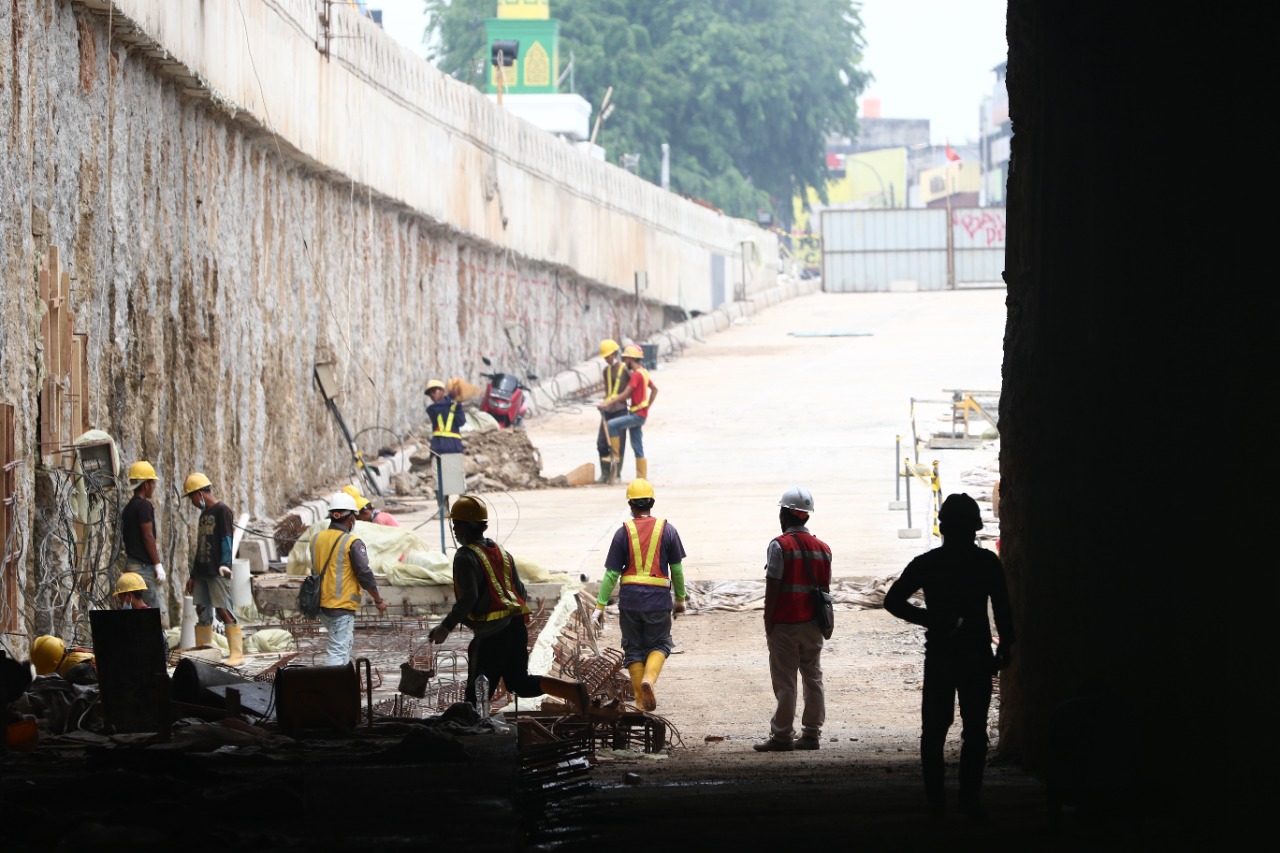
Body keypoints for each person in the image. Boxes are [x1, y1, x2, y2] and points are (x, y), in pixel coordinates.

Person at [884, 492, 1016, 820]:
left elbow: (893, 601)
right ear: (975, 528)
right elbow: (1002, 608)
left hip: (941, 656)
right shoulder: (986, 563)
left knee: (934, 732)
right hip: (976, 656)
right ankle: (969, 802)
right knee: (975, 731)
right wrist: (1006, 646)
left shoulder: (928, 563)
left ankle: (937, 806)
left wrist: (932, 619)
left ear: (943, 528)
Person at [427, 494, 592, 715]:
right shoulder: (501, 552)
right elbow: (520, 591)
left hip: (492, 635)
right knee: (519, 683)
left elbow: (469, 598)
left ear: (467, 526)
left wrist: (445, 627)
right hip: (516, 628)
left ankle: (475, 739)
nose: (455, 530)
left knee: (476, 694)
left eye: (456, 524)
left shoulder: (465, 556)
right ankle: (572, 690)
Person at [594, 478, 686, 711]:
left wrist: (600, 607)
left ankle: (640, 703)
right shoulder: (668, 530)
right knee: (661, 644)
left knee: (633, 649)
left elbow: (612, 573)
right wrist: (680, 600)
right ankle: (649, 680)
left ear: (631, 505)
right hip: (658, 600)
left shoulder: (622, 533)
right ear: (652, 502)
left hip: (630, 601)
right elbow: (676, 570)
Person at [753, 486, 832, 753]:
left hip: (785, 624)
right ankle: (811, 734)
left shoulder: (779, 546)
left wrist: (768, 623)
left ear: (785, 514)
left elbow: (772, 588)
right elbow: (824, 591)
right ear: (806, 517)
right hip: (813, 625)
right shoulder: (824, 549)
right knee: (813, 677)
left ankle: (782, 736)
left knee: (786, 681)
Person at [309, 492, 388, 665]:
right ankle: (333, 690)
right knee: (337, 651)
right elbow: (364, 574)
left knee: (344, 645)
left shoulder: (316, 539)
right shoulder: (352, 542)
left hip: (320, 605)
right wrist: (378, 600)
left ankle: (341, 685)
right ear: (351, 518)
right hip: (340, 606)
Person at [181, 472, 244, 667]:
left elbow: (227, 539)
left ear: (200, 493)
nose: (191, 501)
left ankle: (236, 653)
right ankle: (205, 654)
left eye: (192, 496)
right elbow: (200, 545)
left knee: (223, 609)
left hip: (217, 570)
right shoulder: (204, 515)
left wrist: (225, 564)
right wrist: (192, 575)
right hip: (202, 571)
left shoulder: (222, 511)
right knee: (203, 612)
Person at [601, 344, 657, 482]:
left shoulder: (636, 375)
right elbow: (655, 389)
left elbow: (626, 394)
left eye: (626, 359)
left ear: (631, 360)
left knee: (612, 425)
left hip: (636, 415)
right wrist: (647, 407)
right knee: (637, 445)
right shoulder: (644, 372)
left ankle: (615, 456)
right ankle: (641, 478)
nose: (625, 362)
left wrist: (608, 403)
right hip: (640, 414)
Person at [119, 460, 165, 611]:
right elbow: (148, 537)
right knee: (151, 612)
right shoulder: (144, 506)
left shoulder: (128, 508)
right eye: (152, 484)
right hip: (143, 568)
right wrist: (157, 564)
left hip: (131, 566)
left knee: (134, 611)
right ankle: (155, 636)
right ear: (146, 485)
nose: (153, 487)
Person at [594, 339, 631, 483]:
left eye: (607, 356)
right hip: (608, 411)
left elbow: (630, 390)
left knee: (618, 444)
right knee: (601, 443)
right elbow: (608, 392)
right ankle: (604, 474)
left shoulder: (625, 370)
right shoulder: (606, 371)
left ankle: (617, 474)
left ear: (614, 354)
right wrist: (604, 404)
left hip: (620, 411)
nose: (606, 359)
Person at [113, 571, 169, 658]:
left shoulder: (146, 619)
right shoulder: (150, 616)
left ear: (128, 596)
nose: (120, 604)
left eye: (121, 599)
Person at [425, 378, 466, 455]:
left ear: (443, 391)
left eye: (434, 391)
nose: (432, 395)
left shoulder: (454, 406)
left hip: (454, 447)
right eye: (430, 393)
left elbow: (461, 422)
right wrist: (450, 396)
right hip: (438, 447)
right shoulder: (432, 409)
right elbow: (440, 407)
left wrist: (459, 405)